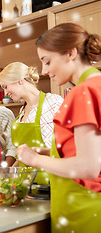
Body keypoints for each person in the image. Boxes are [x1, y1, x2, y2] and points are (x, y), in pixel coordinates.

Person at [16, 23, 101, 232]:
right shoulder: (97, 84)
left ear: (71, 53)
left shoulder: (83, 91)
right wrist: (51, 152)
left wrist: (35, 159)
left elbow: (88, 167)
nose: (44, 71)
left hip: (82, 209)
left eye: (47, 61)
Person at [0, 62, 63, 185]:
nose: (5, 93)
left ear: (19, 81)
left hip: (50, 182)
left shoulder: (54, 103)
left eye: (6, 86)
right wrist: (9, 173)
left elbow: (65, 149)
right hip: (26, 184)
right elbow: (22, 155)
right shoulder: (22, 111)